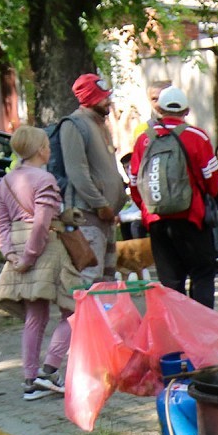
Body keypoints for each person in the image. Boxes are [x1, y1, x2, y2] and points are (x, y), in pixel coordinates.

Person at [0, 125, 78, 399]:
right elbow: (41, 223)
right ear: (41, 149)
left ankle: (30, 380)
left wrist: (10, 254)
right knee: (75, 311)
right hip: (45, 251)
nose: (49, 149)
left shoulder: (5, 182)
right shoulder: (45, 179)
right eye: (47, 146)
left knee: (34, 316)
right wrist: (29, 257)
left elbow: (0, 224)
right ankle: (49, 370)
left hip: (17, 249)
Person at [129, 86, 218, 307]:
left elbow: (134, 181)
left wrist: (148, 207)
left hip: (157, 219)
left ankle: (175, 326)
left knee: (170, 282)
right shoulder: (197, 136)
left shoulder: (144, 139)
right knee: (202, 272)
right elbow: (212, 178)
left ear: (159, 109)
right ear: (186, 111)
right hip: (192, 216)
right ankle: (201, 324)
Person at [59, 72, 127, 281]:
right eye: (103, 97)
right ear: (90, 98)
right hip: (87, 215)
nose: (108, 101)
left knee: (108, 277)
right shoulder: (74, 124)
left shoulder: (101, 124)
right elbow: (77, 172)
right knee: (90, 278)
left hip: (107, 216)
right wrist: (100, 204)